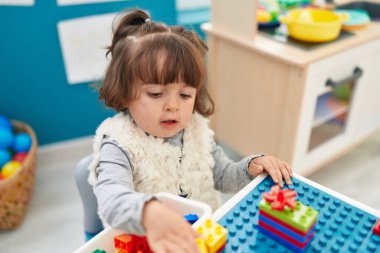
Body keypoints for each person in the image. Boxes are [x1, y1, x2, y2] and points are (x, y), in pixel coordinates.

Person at [88, 8, 293, 253]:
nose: (173, 105)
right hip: (152, 244)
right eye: (155, 93)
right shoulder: (119, 144)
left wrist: (251, 166)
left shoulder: (196, 130)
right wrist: (149, 212)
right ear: (123, 93)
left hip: (203, 238)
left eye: (185, 95)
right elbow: (111, 200)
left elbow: (222, 175)